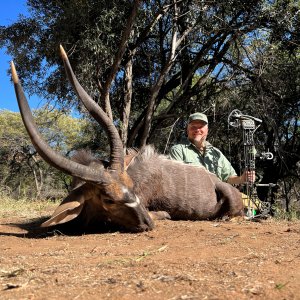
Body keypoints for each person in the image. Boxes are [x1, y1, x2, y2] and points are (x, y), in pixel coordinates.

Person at [169, 112, 255, 185]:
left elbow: (229, 178)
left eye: (201, 127)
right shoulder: (178, 150)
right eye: (193, 127)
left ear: (207, 130)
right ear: (188, 130)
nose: (197, 130)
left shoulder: (216, 153)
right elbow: (177, 181)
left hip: (218, 200)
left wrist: (242, 178)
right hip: (193, 201)